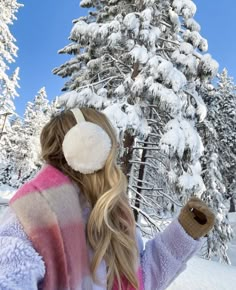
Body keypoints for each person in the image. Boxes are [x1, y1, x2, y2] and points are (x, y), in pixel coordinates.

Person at [0, 108, 215, 290]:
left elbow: (139, 281)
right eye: (109, 145)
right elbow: (10, 271)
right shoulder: (31, 214)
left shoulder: (114, 215)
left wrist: (184, 232)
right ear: (89, 147)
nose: (114, 155)